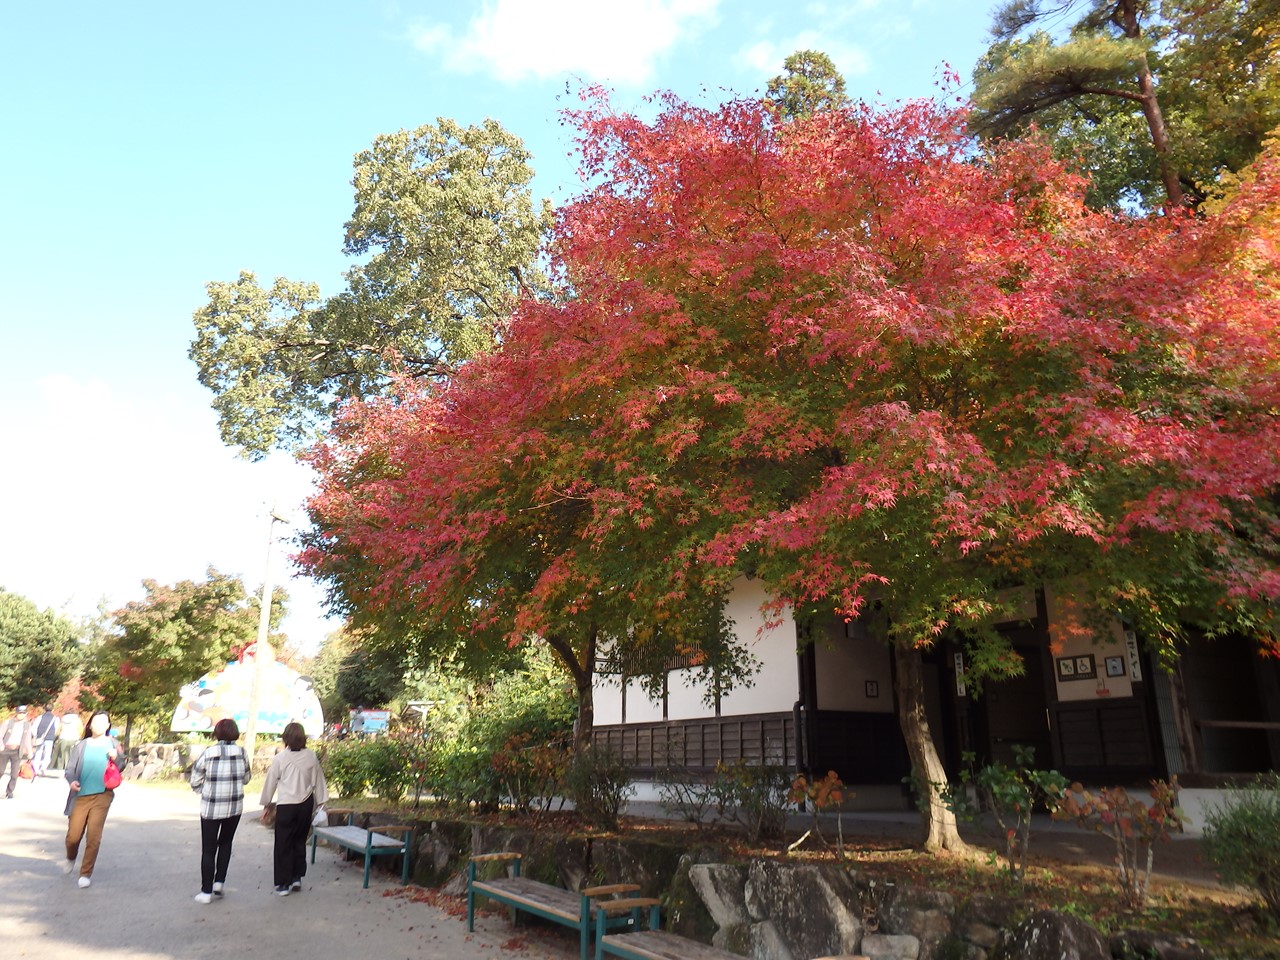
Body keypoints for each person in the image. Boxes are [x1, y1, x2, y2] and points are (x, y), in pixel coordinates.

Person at [259, 721, 328, 896]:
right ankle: (296, 876)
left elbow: (271, 782)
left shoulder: (280, 758)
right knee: (299, 840)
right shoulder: (311, 756)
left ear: (286, 738)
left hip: (286, 805)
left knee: (283, 843)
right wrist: (321, 802)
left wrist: (267, 802)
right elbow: (319, 781)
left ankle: (284, 883)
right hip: (305, 804)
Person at [189, 717, 252, 904]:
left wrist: (204, 790)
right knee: (225, 843)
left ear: (216, 733)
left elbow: (195, 779)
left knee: (209, 849)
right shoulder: (242, 752)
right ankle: (219, 882)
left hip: (211, 807)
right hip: (234, 806)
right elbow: (247, 778)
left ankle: (206, 891)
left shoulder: (208, 752)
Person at [63, 712, 126, 887]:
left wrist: (117, 758)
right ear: (90, 725)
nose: (98, 725)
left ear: (108, 726)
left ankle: (85, 873)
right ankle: (71, 856)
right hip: (80, 795)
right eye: (95, 722)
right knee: (73, 837)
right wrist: (72, 781)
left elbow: (121, 766)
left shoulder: (114, 744)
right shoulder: (81, 746)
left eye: (103, 722)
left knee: (94, 836)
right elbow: (69, 769)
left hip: (102, 794)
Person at [0, 705, 34, 799]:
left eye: (23, 713)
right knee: (1, 771)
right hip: (5, 749)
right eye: (20, 713)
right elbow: (0, 734)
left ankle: (9, 791)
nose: (21, 715)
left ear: (26, 714)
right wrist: (1, 745)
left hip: (17, 751)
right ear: (16, 713)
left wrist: (29, 751)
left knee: (14, 773)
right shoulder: (8, 723)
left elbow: (27, 739)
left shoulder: (27, 725)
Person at [32, 704, 58, 776]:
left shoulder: (40, 717)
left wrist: (36, 735)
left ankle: (35, 769)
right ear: (53, 710)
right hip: (49, 738)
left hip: (40, 737)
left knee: (38, 753)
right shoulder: (55, 718)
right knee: (47, 754)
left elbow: (34, 728)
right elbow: (56, 729)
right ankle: (43, 768)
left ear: (44, 709)